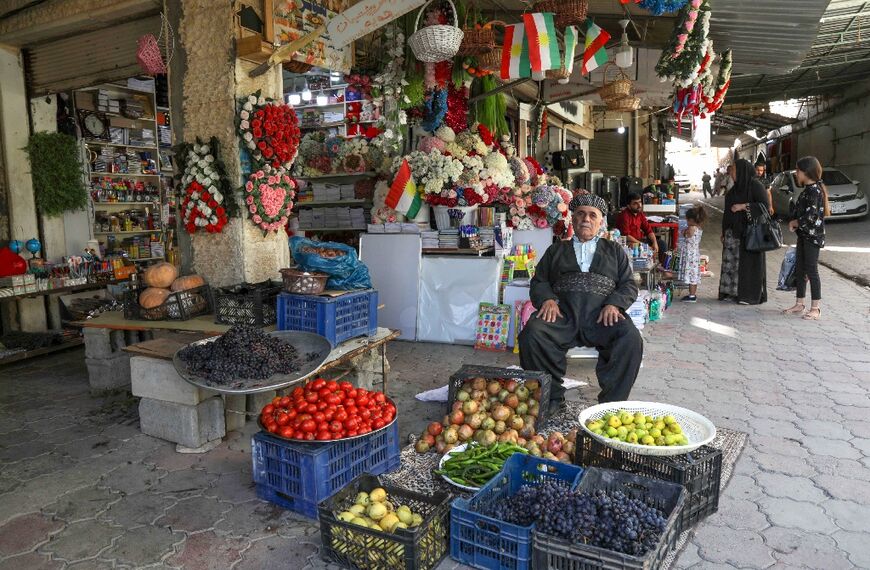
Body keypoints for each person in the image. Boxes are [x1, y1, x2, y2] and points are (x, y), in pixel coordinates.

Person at [519, 194, 642, 411]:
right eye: (581, 214)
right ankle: (551, 399)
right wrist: (547, 299)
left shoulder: (614, 250)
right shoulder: (556, 250)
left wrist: (614, 304)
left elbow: (628, 284)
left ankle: (610, 406)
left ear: (600, 222)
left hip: (602, 316)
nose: (586, 219)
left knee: (630, 339)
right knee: (533, 333)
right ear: (573, 220)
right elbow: (539, 281)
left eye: (592, 215)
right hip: (563, 313)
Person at [782, 156, 829, 320]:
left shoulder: (814, 191)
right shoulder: (808, 190)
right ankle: (799, 303)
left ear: (805, 172)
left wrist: (795, 221)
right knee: (800, 269)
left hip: (812, 238)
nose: (796, 173)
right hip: (804, 235)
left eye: (797, 170)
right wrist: (794, 221)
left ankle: (815, 308)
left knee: (811, 271)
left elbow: (811, 216)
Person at [718, 159, 770, 304]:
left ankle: (747, 295)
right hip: (732, 233)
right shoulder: (734, 189)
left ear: (742, 171)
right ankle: (731, 292)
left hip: (750, 234)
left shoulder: (755, 186)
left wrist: (743, 206)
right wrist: (724, 231)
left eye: (734, 170)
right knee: (731, 264)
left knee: (747, 266)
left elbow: (764, 206)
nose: (731, 173)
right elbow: (726, 213)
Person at [615, 192, 666, 256]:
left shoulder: (640, 214)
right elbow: (626, 236)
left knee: (661, 244)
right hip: (628, 243)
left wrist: (654, 242)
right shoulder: (624, 216)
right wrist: (643, 245)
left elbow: (648, 231)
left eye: (640, 202)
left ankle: (662, 265)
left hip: (639, 241)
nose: (639, 205)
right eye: (635, 203)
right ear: (628, 206)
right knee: (638, 247)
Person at [679, 204, 708, 302]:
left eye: (687, 220)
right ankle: (692, 295)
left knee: (691, 276)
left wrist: (684, 231)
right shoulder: (698, 228)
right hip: (694, 254)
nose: (686, 222)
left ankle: (692, 296)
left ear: (691, 220)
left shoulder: (691, 228)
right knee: (694, 276)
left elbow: (687, 234)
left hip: (690, 255)